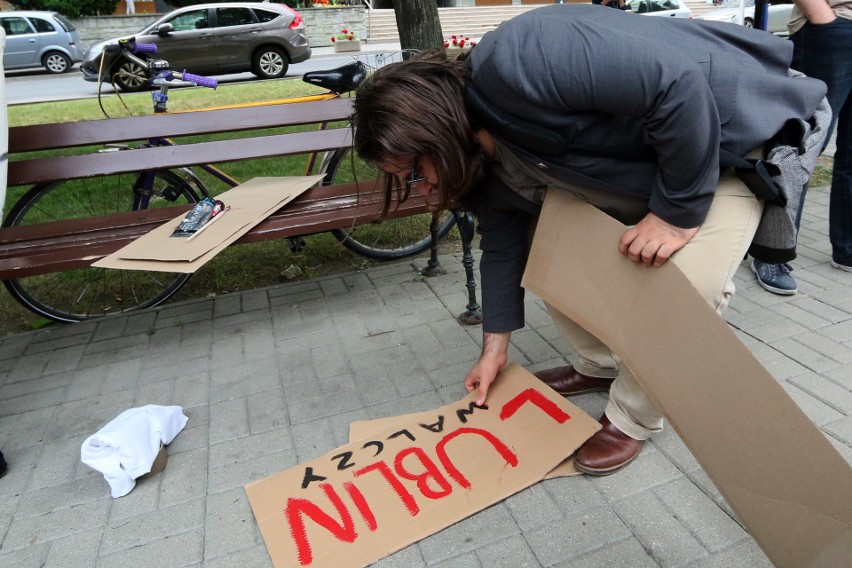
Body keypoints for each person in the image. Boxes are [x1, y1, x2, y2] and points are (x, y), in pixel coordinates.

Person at [351, 5, 826, 475]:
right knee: (548, 242)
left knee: (689, 285)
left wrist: (674, 214)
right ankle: (599, 364)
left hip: (731, 137)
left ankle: (631, 417)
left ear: (438, 130)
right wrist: (494, 347)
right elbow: (503, 246)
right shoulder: (477, 165)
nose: (424, 189)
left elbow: (677, 85)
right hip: (654, 160)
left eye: (416, 171)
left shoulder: (522, 56)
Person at [789, 0, 851, 274]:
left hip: (833, 26)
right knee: (802, 147)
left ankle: (847, 250)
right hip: (832, 27)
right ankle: (773, 251)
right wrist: (822, 17)